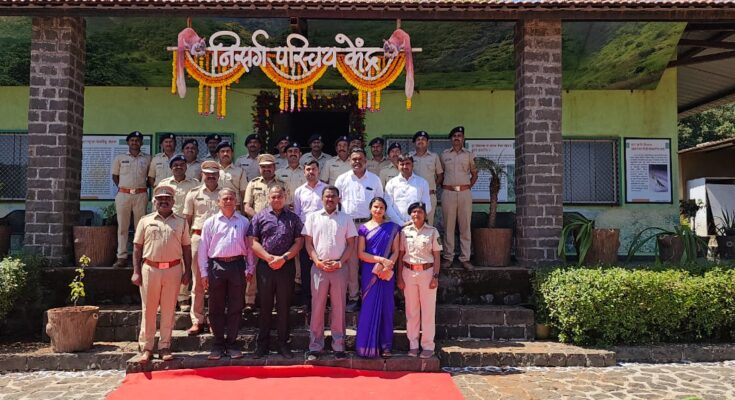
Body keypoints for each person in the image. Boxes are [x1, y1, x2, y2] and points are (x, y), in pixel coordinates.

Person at [131, 185, 192, 363]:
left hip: (173, 269)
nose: (164, 202)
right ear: (154, 202)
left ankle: (164, 346)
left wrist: (187, 271)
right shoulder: (145, 221)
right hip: (150, 269)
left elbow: (187, 248)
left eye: (167, 199)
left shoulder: (181, 222)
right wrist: (136, 271)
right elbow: (137, 247)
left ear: (173, 202)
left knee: (169, 310)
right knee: (148, 310)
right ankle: (147, 347)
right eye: (160, 199)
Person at [197, 188, 255, 360]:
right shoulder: (210, 222)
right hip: (216, 267)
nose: (228, 201)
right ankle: (217, 344)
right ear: (218, 202)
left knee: (236, 307)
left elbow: (250, 248)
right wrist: (203, 272)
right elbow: (203, 249)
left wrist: (250, 268)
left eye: (231, 198)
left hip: (237, 266)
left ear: (236, 201)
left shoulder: (244, 222)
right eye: (225, 199)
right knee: (216, 307)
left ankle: (232, 343)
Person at [248, 185, 304, 359]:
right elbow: (252, 241)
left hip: (286, 266)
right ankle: (262, 345)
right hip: (266, 266)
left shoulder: (293, 218)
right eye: (273, 197)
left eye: (279, 196)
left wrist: (284, 258)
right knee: (264, 306)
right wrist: (268, 257)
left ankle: (283, 344)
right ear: (268, 198)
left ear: (285, 197)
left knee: (283, 306)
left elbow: (299, 242)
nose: (276, 199)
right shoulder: (259, 217)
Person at [302, 186, 356, 361]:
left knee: (339, 308)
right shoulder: (312, 217)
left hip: (339, 268)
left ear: (338, 199)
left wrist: (340, 262)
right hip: (319, 268)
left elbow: (351, 245)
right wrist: (317, 260)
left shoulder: (346, 218)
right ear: (322, 198)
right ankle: (315, 346)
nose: (330, 199)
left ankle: (338, 345)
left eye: (333, 196)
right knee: (317, 307)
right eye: (327, 196)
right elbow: (308, 243)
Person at [335, 148, 383, 312]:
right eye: (354, 159)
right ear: (350, 161)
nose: (357, 162)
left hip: (370, 225)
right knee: (353, 264)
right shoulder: (342, 179)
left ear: (366, 160)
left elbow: (380, 203)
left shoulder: (375, 180)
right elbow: (336, 203)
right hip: (350, 226)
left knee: (371, 261)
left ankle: (370, 295)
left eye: (360, 158)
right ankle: (354, 297)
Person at [182, 160, 224, 336]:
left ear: (218, 175)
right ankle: (197, 320)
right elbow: (187, 220)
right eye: (207, 173)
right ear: (202, 174)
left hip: (220, 240)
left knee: (218, 283)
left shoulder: (225, 194)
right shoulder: (193, 194)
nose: (211, 176)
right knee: (198, 281)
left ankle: (215, 320)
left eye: (214, 173)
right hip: (198, 238)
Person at [355, 197, 400, 358]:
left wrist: (389, 264)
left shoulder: (393, 228)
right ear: (370, 208)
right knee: (369, 306)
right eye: (375, 207)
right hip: (370, 271)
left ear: (385, 210)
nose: (378, 210)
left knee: (387, 307)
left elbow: (396, 251)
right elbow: (360, 253)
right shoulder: (363, 228)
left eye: (381, 207)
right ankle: (367, 346)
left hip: (387, 272)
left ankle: (386, 346)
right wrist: (380, 260)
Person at [397, 202, 441, 359]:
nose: (416, 215)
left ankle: (428, 345)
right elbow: (401, 255)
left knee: (428, 311)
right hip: (408, 272)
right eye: (414, 212)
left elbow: (436, 256)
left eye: (420, 212)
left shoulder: (432, 232)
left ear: (425, 214)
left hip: (427, 272)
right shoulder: (404, 232)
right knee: (412, 310)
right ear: (410, 215)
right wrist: (399, 277)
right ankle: (413, 344)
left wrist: (435, 276)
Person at [440, 126, 478, 271]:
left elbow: (474, 174)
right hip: (448, 192)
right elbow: (440, 174)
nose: (457, 137)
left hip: (464, 193)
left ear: (463, 138)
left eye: (459, 135)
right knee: (448, 226)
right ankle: (448, 257)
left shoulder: (469, 155)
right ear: (451, 139)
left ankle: (465, 258)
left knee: (465, 226)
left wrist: (467, 187)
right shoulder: (444, 155)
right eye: (454, 135)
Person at [112, 130, 151, 268]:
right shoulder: (120, 158)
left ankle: (140, 257)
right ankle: (121, 257)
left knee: (140, 228)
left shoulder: (147, 158)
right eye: (132, 140)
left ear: (141, 143)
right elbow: (115, 176)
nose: (135, 142)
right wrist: (124, 188)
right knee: (122, 227)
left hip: (140, 195)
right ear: (128, 142)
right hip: (123, 195)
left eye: (137, 140)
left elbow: (150, 177)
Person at [293, 160, 327, 310]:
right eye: (308, 169)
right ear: (304, 171)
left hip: (323, 234)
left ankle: (324, 300)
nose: (311, 172)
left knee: (323, 266)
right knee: (306, 269)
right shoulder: (299, 191)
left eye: (313, 169)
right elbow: (297, 214)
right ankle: (307, 300)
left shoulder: (326, 189)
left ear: (318, 170)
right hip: (306, 234)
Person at [385, 154, 431, 225]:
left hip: (417, 224)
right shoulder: (391, 183)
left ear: (412, 165)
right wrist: (400, 223)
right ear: (398, 166)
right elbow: (388, 206)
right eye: (402, 164)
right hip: (396, 224)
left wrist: (415, 220)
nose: (405, 166)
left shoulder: (422, 182)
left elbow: (427, 206)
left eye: (407, 163)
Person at [410, 131, 443, 226]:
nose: (421, 141)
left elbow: (440, 176)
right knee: (413, 222)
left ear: (428, 142)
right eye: (418, 139)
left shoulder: (434, 157)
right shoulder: (410, 157)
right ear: (414, 142)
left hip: (430, 195)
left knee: (429, 223)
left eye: (423, 139)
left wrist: (431, 187)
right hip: (413, 195)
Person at [275, 142, 306, 208]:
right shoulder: (278, 173)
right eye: (290, 151)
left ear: (300, 154)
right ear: (286, 154)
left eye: (296, 151)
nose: (293, 154)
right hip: (284, 209)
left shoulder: (307, 173)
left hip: (303, 208)